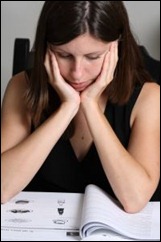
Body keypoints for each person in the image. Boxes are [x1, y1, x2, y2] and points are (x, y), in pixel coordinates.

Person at [1, 1, 160, 213]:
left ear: (117, 47)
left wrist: (91, 107)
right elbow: (3, 187)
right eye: (64, 55)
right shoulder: (21, 87)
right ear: (46, 47)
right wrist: (67, 108)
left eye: (93, 57)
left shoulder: (149, 98)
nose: (77, 73)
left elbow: (134, 199)